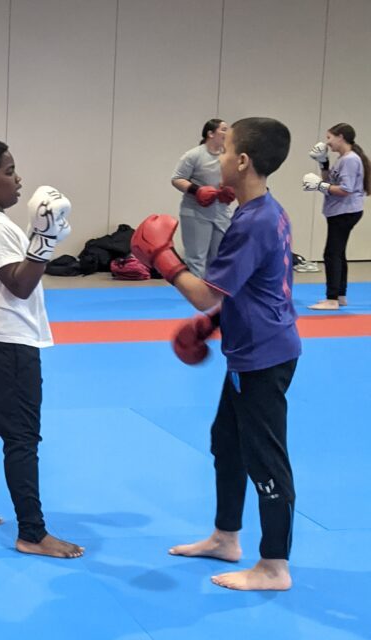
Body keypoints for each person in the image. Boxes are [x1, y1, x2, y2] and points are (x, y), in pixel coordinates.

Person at [132, 117, 301, 591]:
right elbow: (253, 288)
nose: (218, 159)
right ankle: (226, 537)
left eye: (224, 152)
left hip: (263, 357)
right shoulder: (264, 211)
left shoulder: (254, 220)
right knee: (226, 444)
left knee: (266, 458)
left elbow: (207, 293)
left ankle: (274, 566)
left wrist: (164, 259)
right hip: (252, 345)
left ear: (242, 161)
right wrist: (214, 325)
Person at [0, 140, 84, 559]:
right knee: (21, 437)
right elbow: (20, 284)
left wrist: (43, 240)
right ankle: (32, 533)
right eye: (8, 171)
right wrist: (43, 241)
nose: (18, 177)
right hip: (6, 342)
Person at [304, 123, 369, 310]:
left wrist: (320, 186)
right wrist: (323, 163)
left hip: (345, 211)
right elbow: (330, 182)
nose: (328, 142)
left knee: (331, 253)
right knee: (338, 253)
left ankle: (331, 299)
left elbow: (345, 189)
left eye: (330, 138)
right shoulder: (343, 159)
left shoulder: (350, 160)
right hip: (341, 211)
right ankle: (340, 296)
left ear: (341, 137)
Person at [171, 119, 237, 277]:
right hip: (195, 212)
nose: (227, 133)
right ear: (210, 133)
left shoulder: (228, 156)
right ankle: (196, 296)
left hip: (220, 212)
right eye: (223, 129)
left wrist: (232, 189)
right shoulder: (194, 155)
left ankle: (213, 295)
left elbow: (235, 177)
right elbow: (176, 178)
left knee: (218, 257)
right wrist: (196, 190)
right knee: (196, 259)